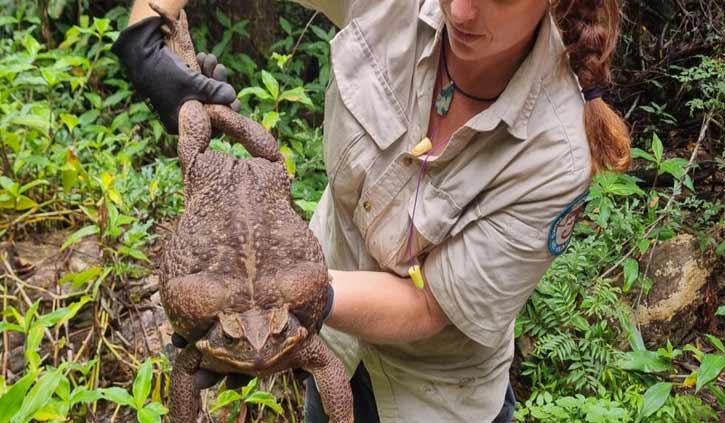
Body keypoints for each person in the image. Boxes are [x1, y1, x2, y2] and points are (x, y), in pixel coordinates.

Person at [113, 0, 631, 421]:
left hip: (434, 396)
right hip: (333, 349)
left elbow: (431, 306)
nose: (463, 12)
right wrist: (147, 37)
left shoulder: (556, 155)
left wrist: (281, 299)